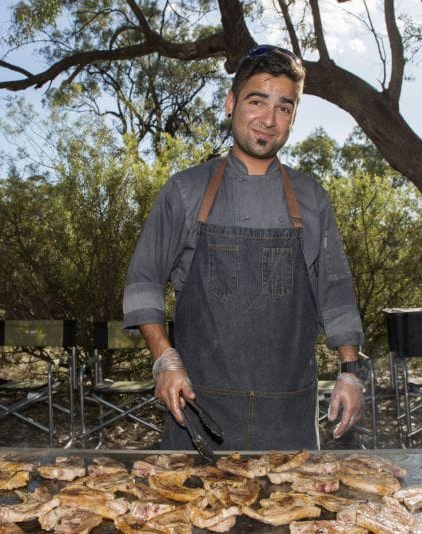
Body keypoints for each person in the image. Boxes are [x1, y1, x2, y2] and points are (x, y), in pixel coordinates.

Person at [123, 44, 366, 450]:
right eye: (257, 101)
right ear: (231, 103)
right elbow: (143, 281)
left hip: (288, 413)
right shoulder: (185, 191)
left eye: (284, 108)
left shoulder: (312, 198)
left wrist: (350, 372)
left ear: (293, 118)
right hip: (198, 410)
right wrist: (164, 360)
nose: (269, 120)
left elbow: (336, 292)